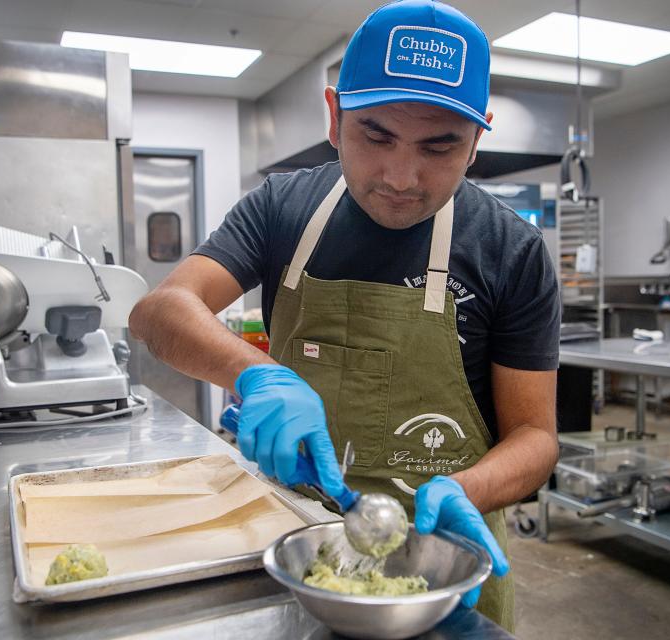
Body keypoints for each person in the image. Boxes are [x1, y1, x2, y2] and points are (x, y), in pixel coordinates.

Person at [129, 0, 560, 630]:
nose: (401, 177)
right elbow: (160, 311)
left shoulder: (511, 250)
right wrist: (256, 373)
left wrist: (465, 488)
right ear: (334, 117)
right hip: (295, 535)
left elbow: (536, 438)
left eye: (440, 146)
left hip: (442, 562)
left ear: (476, 141)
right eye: (375, 135)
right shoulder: (283, 210)